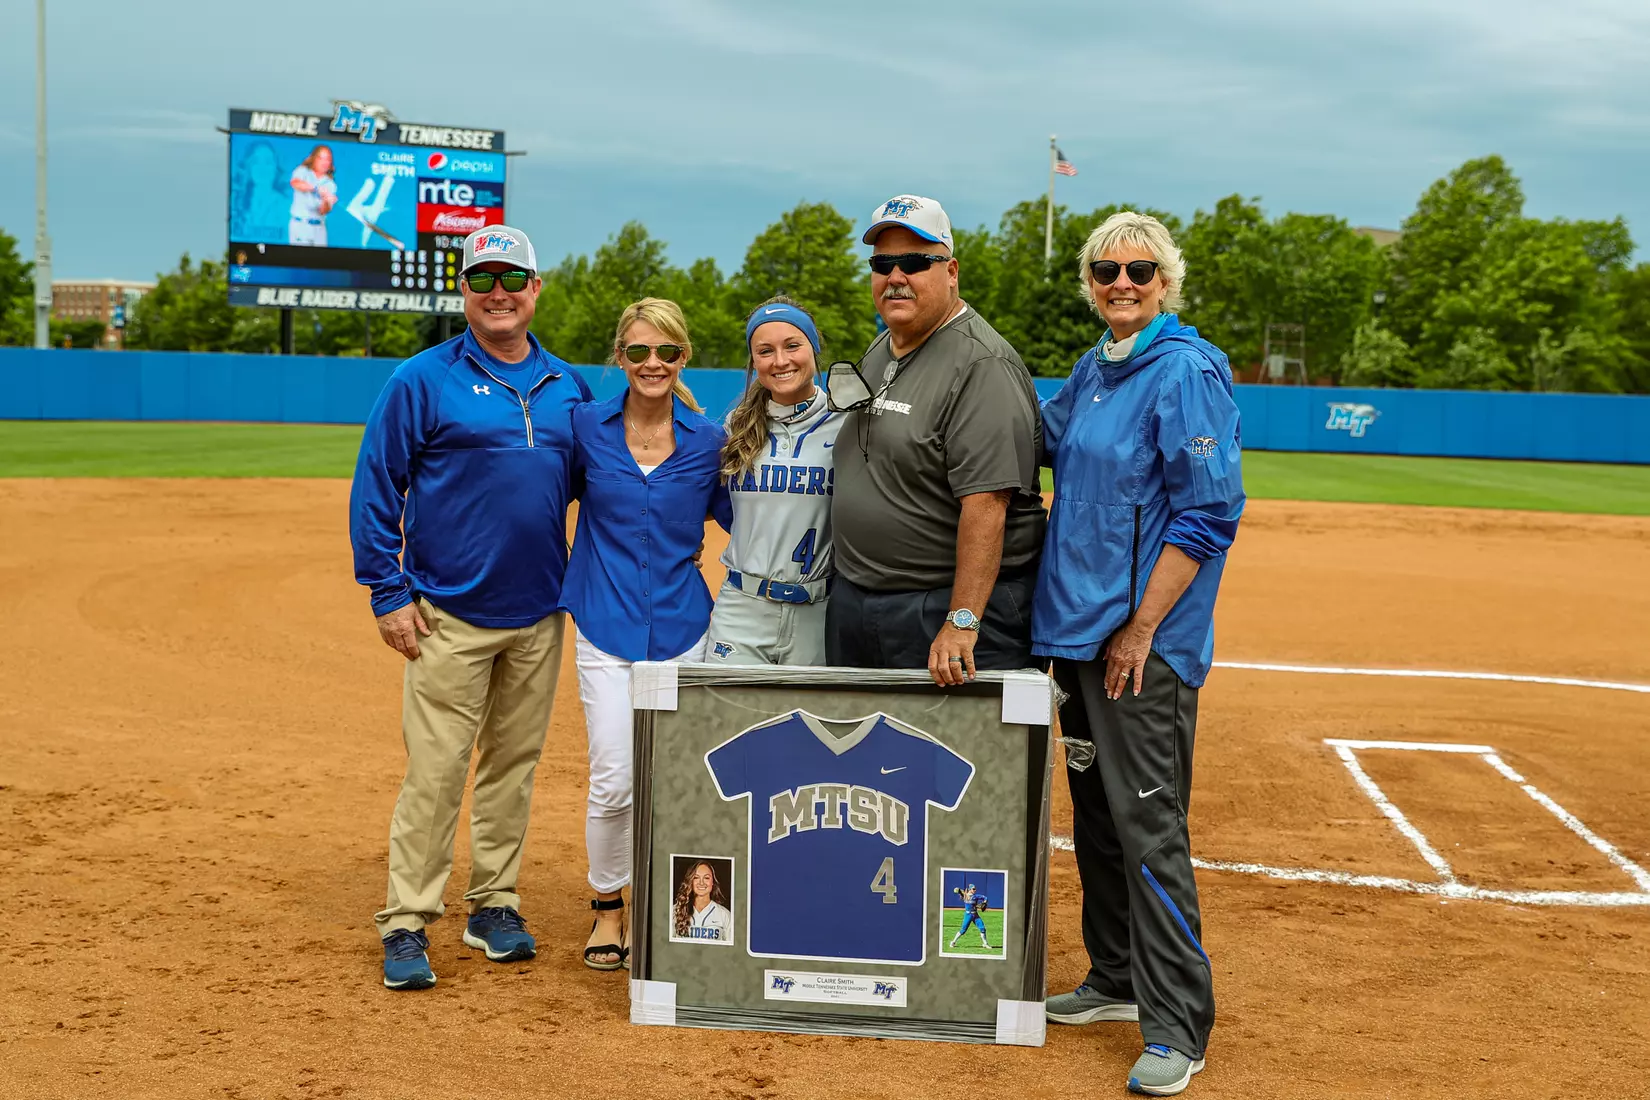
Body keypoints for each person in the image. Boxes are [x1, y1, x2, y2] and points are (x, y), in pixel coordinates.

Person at [1035, 211, 1245, 1097]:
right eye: (1105, 270)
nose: (1122, 283)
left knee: (1149, 826)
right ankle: (1114, 977)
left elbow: (1209, 513)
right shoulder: (1092, 369)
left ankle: (1178, 1025)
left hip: (1138, 644)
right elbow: (1032, 441)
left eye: (1140, 270)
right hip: (1077, 633)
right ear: (1088, 282)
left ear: (1166, 281)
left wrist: (1143, 628)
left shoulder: (1186, 370)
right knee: (1097, 818)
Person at [350, 225, 592, 991]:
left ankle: (494, 905)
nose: (499, 293)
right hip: (446, 615)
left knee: (512, 769)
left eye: (512, 279)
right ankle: (406, 919)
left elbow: (605, 489)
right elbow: (376, 486)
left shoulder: (567, 386)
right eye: (483, 279)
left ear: (536, 288)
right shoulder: (422, 379)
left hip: (538, 615)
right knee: (436, 772)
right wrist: (388, 592)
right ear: (463, 290)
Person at [560, 298, 732, 970]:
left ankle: (684, 909)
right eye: (638, 351)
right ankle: (609, 905)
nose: (652, 363)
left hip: (686, 626)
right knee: (614, 779)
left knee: (683, 778)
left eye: (666, 351)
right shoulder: (585, 429)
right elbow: (544, 498)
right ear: (620, 357)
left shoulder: (708, 439)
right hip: (604, 626)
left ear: (683, 357)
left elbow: (742, 519)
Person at [827, 194, 1047, 686]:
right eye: (883, 263)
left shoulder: (982, 365)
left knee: (952, 762)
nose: (896, 276)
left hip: (938, 613)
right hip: (864, 603)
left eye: (914, 262)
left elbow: (988, 504)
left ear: (951, 271)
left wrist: (962, 620)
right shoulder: (883, 345)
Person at [708, 296, 842, 666]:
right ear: (754, 361)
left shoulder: (847, 424)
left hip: (818, 610)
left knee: (808, 723)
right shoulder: (736, 426)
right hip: (741, 608)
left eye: (792, 345)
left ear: (814, 349)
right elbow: (705, 503)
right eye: (765, 351)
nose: (780, 361)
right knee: (729, 721)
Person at [671, 861, 732, 943]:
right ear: (690, 881)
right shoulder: (675, 911)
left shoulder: (724, 915)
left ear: (713, 882)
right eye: (696, 877)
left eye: (706, 878)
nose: (701, 882)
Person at [288, 145, 337, 247]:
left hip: (319, 228)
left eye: (328, 159)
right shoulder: (302, 171)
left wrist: (326, 201)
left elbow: (323, 210)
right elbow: (295, 183)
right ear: (314, 158)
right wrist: (316, 189)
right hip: (300, 225)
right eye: (321, 158)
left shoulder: (330, 184)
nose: (324, 162)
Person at [949, 883, 990, 950]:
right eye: (973, 889)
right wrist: (958, 891)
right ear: (970, 889)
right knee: (963, 931)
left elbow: (985, 897)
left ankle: (985, 944)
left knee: (982, 928)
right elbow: (957, 891)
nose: (975, 890)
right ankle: (953, 942)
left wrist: (985, 902)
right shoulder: (965, 895)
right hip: (968, 915)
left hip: (975, 915)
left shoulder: (976, 896)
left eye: (975, 889)